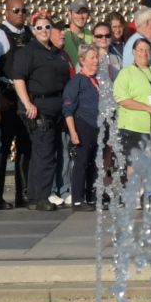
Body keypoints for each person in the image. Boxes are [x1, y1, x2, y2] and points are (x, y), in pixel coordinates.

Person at [11, 12, 73, 212]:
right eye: (39, 28)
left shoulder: (55, 51)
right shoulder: (27, 52)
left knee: (44, 153)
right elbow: (19, 79)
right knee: (45, 154)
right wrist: (27, 103)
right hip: (39, 108)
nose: (44, 31)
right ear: (33, 30)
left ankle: (35, 196)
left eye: (48, 27)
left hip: (57, 107)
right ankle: (41, 196)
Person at [0, 0, 34, 210]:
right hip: (7, 97)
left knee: (26, 146)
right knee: (3, 147)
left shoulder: (30, 34)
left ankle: (23, 193)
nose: (21, 14)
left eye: (24, 10)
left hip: (26, 99)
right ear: (6, 12)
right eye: (16, 10)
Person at [112, 37, 151, 171]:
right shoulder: (125, 73)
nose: (144, 53)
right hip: (136, 128)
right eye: (140, 50)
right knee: (136, 166)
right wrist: (146, 108)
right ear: (134, 52)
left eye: (147, 50)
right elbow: (121, 99)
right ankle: (137, 192)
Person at [61, 46, 105, 211]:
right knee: (81, 162)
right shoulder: (77, 81)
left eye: (96, 57)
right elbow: (68, 109)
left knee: (94, 162)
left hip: (97, 126)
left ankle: (90, 196)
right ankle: (77, 200)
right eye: (92, 57)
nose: (96, 61)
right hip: (83, 124)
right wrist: (73, 132)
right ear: (82, 60)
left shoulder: (97, 80)